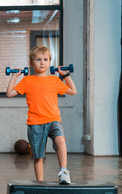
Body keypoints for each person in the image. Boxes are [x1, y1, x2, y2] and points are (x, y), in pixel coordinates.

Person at [6, 45, 76, 184]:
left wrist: (65, 75)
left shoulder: (55, 80)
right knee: (38, 157)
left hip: (53, 120)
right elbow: (9, 93)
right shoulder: (27, 81)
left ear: (50, 62)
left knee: (60, 140)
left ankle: (63, 172)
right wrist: (14, 77)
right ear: (31, 63)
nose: (42, 62)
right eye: (38, 59)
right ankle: (40, 184)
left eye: (45, 59)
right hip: (35, 123)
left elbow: (73, 91)